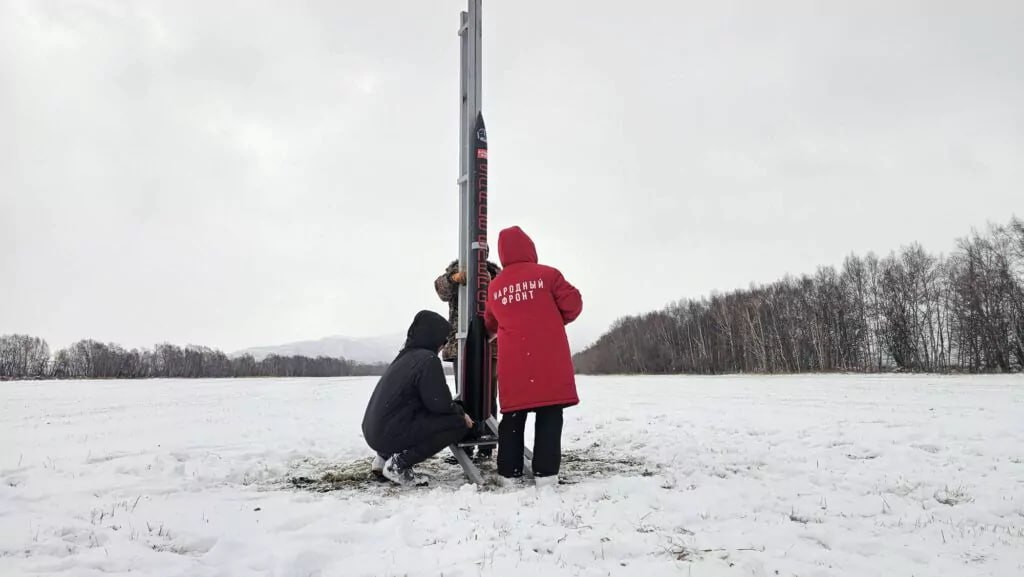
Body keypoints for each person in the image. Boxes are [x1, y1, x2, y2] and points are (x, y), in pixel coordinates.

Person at [484, 226, 583, 487]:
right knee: (550, 414)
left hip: (514, 362)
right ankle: (546, 475)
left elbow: (490, 323)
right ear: (530, 247)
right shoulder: (548, 275)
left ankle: (509, 475)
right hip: (549, 360)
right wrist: (552, 321)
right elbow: (574, 304)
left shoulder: (495, 287)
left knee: (513, 417)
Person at [362, 310, 474, 486]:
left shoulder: (405, 356)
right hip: (387, 434)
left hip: (374, 433)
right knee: (457, 423)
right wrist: (460, 412)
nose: (444, 345)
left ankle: (383, 459)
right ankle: (398, 464)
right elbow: (439, 404)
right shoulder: (428, 359)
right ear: (433, 337)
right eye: (443, 340)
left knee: (419, 417)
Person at [434, 258, 501, 459]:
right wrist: (454, 279)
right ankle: (465, 443)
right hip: (460, 345)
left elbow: (501, 299)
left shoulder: (495, 274)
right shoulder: (455, 270)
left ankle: (487, 445)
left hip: (490, 344)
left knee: (488, 395)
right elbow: (441, 290)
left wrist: (490, 283)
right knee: (464, 396)